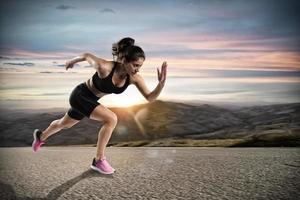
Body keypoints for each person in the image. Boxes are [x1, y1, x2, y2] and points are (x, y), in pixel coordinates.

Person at [32, 37, 167, 174]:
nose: (137, 70)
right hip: (80, 95)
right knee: (111, 118)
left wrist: (160, 85)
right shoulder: (104, 67)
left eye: (140, 66)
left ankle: (41, 137)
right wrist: (72, 61)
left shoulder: (134, 78)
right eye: (135, 65)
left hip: (91, 101)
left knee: (64, 124)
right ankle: (99, 160)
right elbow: (86, 56)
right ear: (124, 61)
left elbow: (150, 98)